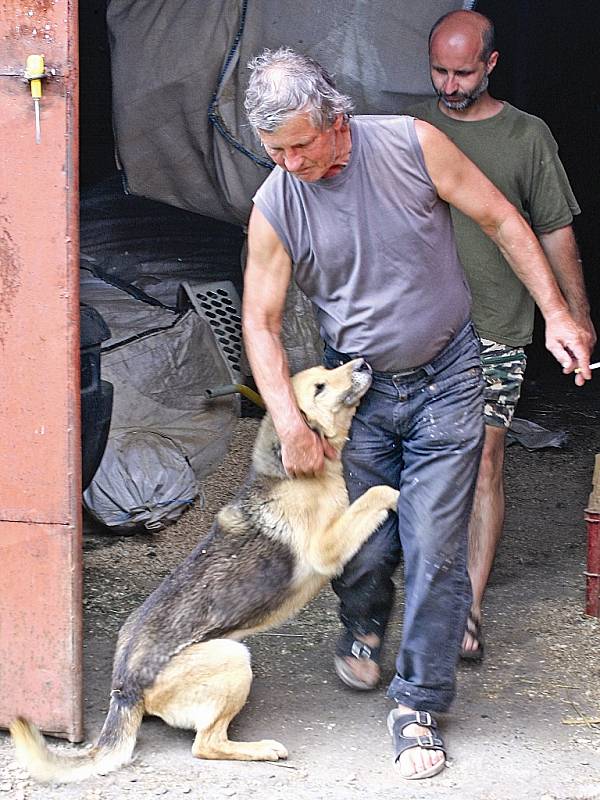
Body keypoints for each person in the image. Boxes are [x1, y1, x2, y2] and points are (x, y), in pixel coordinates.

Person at [241, 47, 591, 780]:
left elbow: (502, 220)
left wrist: (557, 313)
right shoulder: (275, 205)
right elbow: (261, 322)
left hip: (448, 377)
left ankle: (419, 703)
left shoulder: (409, 143)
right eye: (276, 151)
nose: (293, 163)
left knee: (435, 545)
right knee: (367, 546)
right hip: (358, 398)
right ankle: (363, 623)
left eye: (302, 144)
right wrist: (292, 422)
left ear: (338, 120)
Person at [406, 10, 596, 661]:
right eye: (439, 70)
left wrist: (575, 314)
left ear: (491, 64)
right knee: (417, 464)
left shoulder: (526, 136)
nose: (449, 84)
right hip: (414, 330)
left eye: (463, 71)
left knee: (484, 459)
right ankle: (413, 593)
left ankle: (469, 608)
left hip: (496, 326)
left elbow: (554, 230)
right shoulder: (410, 129)